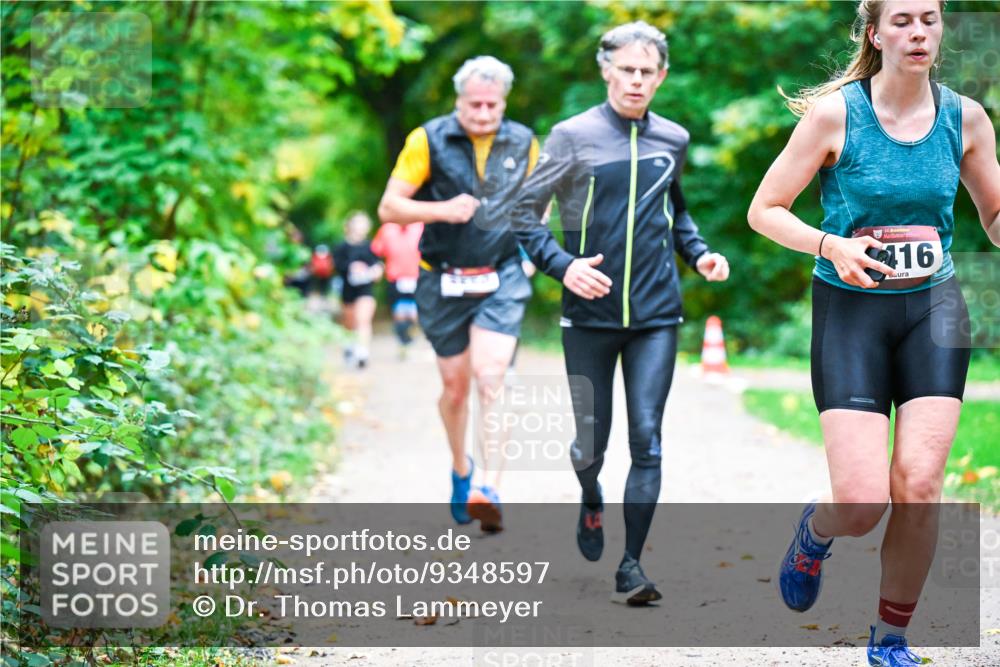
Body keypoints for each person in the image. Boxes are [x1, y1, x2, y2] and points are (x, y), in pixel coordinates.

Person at [747, 1, 999, 664]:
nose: (918, 32)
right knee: (861, 502)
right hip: (852, 312)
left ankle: (890, 637)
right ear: (874, 33)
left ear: (943, 30)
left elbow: (994, 213)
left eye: (930, 19)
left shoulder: (966, 118)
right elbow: (764, 210)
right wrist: (831, 245)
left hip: (934, 311)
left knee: (919, 482)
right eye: (903, 20)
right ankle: (815, 532)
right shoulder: (838, 115)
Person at [510, 21, 730, 604]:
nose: (636, 80)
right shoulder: (571, 137)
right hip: (588, 315)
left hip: (657, 313)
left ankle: (632, 566)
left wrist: (701, 253)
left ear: (661, 76)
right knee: (589, 444)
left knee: (648, 438)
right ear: (606, 70)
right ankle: (590, 499)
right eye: (626, 70)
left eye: (646, 71)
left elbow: (677, 215)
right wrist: (563, 266)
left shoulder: (672, 140)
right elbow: (524, 215)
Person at [377, 56, 540, 531]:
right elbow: (389, 207)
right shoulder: (427, 139)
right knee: (455, 388)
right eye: (475, 104)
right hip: (441, 277)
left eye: (493, 104)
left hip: (502, 275)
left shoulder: (524, 141)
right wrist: (444, 209)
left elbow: (537, 202)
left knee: (492, 377)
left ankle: (490, 488)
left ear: (504, 102)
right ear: (458, 100)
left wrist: (536, 253)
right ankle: (461, 470)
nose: (484, 112)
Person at [333, 212, 383, 369]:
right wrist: (351, 268)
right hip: (348, 290)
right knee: (350, 322)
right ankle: (349, 346)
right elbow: (337, 267)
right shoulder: (341, 247)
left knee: (363, 319)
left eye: (364, 223)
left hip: (366, 289)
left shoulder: (371, 246)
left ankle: (362, 352)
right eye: (358, 223)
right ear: (350, 225)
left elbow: (378, 265)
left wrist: (376, 271)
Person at [371, 221, 424, 357]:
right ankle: (403, 342)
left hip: (417, 278)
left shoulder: (420, 227)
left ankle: (410, 339)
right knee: (399, 314)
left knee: (415, 314)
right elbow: (375, 252)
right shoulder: (387, 229)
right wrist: (377, 266)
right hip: (395, 279)